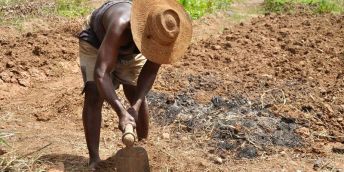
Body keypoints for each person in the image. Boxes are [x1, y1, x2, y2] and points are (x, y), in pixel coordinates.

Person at [78, 0, 192, 169]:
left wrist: (135, 107)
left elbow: (151, 71)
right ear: (146, 33)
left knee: (134, 91)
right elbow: (101, 73)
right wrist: (121, 112)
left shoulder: (165, 35)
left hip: (132, 46)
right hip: (98, 41)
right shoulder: (120, 24)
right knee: (94, 93)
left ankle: (144, 146)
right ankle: (94, 159)